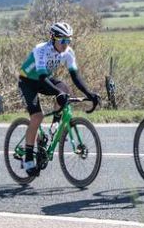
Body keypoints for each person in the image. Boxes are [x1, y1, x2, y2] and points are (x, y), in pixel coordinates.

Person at [16, 21, 100, 175]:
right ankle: (28, 158)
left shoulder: (68, 52)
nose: (66, 44)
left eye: (69, 40)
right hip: (28, 81)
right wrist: (57, 93)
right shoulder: (41, 50)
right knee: (37, 116)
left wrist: (89, 94)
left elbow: (75, 76)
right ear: (53, 38)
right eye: (62, 40)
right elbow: (41, 76)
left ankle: (53, 128)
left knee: (64, 90)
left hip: (44, 80)